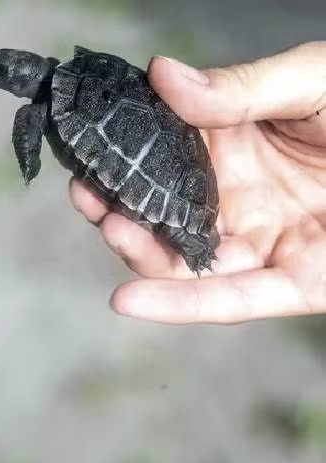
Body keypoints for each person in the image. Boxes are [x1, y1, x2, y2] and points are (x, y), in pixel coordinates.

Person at [69, 41, 326, 326]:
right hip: (175, 177)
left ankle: (196, 243)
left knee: (176, 231)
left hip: (171, 179)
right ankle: (195, 238)